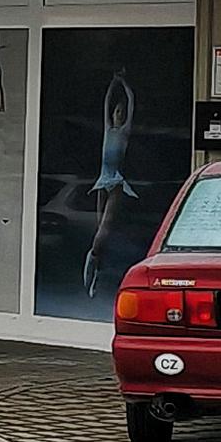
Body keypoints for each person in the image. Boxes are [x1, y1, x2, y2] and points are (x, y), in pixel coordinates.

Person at [81, 72, 140, 295]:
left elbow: (131, 102)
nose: (119, 114)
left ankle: (92, 258)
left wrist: (124, 84)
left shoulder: (124, 132)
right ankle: (95, 275)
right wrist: (113, 83)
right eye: (117, 111)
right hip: (102, 180)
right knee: (99, 228)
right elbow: (106, 104)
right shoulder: (108, 129)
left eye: (122, 113)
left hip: (115, 182)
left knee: (104, 231)